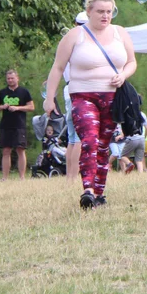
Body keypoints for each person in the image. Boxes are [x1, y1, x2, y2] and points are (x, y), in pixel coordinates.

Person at [43, 0, 138, 209]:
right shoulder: (75, 36)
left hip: (112, 97)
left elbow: (132, 62)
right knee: (90, 141)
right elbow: (57, 68)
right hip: (83, 96)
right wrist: (50, 99)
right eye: (100, 12)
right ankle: (87, 190)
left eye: (109, 11)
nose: (105, 16)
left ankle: (99, 192)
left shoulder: (120, 33)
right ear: (89, 12)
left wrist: (123, 75)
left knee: (104, 146)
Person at [0, 69, 33, 181]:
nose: (10, 80)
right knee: (6, 150)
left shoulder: (24, 92)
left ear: (17, 78)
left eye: (12, 78)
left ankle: (22, 177)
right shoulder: (2, 92)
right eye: (8, 78)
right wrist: (2, 107)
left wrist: (18, 108)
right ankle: (5, 177)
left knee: (20, 150)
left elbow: (31, 107)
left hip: (19, 125)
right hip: (6, 125)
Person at [62, 11, 87, 183]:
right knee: (79, 137)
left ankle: (69, 176)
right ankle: (74, 175)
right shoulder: (81, 44)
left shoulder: (67, 42)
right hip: (80, 89)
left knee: (71, 138)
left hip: (68, 89)